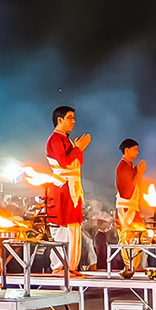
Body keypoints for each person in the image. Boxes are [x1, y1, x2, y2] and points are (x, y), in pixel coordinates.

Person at [46, 106, 90, 276]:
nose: (73, 121)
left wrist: (77, 148)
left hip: (73, 187)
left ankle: (71, 266)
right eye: (70, 117)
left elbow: (77, 162)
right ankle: (59, 267)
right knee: (63, 228)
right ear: (60, 120)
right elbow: (65, 163)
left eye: (74, 117)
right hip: (62, 187)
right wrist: (78, 148)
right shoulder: (55, 139)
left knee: (74, 227)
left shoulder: (66, 140)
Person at [114, 138, 147, 272]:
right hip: (126, 206)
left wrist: (138, 173)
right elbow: (128, 189)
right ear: (126, 150)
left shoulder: (129, 166)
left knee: (139, 234)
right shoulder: (122, 167)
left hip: (133, 205)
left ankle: (135, 264)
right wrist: (139, 173)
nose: (137, 152)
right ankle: (130, 265)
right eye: (135, 149)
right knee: (129, 235)